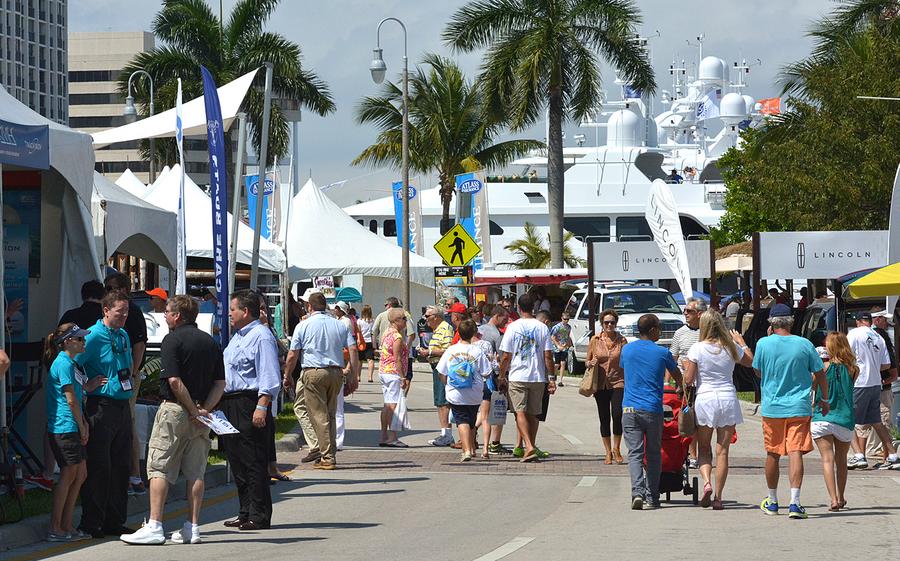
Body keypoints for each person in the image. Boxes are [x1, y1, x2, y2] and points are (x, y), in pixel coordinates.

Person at [121, 296, 226, 545]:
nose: (165, 316)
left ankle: (155, 524)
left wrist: (190, 408)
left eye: (167, 312)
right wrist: (203, 409)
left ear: (178, 316)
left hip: (176, 409)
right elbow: (220, 383)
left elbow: (174, 381)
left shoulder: (172, 339)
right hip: (202, 412)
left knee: (159, 466)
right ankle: (193, 526)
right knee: (195, 471)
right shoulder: (210, 342)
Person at [753, 303, 828, 519]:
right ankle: (795, 502)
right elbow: (820, 372)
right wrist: (823, 397)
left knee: (773, 452)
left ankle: (773, 500)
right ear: (792, 321)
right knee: (795, 451)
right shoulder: (804, 344)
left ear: (771, 324)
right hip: (799, 405)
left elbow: (758, 372)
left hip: (773, 407)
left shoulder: (763, 344)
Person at [220, 290, 281, 531]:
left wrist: (261, 407)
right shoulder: (237, 336)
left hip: (250, 402)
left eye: (233, 309)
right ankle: (244, 511)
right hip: (231, 401)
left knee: (254, 460)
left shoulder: (260, 336)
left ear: (245, 311)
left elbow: (269, 375)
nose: (229, 314)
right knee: (237, 460)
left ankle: (259, 514)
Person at [76, 292, 136, 539]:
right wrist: (85, 385)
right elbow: (69, 363)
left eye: (126, 312)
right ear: (106, 311)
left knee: (121, 467)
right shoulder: (91, 336)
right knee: (100, 467)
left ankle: (115, 520)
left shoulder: (122, 334)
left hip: (122, 406)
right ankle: (92, 521)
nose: (123, 316)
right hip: (101, 406)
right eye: (119, 312)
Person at [683, 310, 754, 510]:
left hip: (705, 398)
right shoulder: (730, 347)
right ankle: (719, 497)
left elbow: (688, 380)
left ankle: (706, 482)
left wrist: (685, 368)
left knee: (704, 448)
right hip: (727, 398)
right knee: (722, 451)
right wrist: (742, 342)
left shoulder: (697, 348)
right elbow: (750, 361)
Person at [283, 292, 359, 471]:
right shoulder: (339, 325)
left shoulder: (304, 325)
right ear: (325, 306)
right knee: (331, 414)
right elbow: (353, 349)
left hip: (314, 371)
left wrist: (287, 374)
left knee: (319, 415)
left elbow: (293, 354)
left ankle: (327, 456)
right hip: (335, 371)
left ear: (309, 306)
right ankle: (329, 451)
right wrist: (354, 375)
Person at [44, 323, 98, 542]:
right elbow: (71, 400)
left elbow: (78, 394)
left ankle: (66, 525)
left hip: (72, 425)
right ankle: (55, 527)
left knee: (80, 475)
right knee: (68, 475)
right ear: (67, 342)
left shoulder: (70, 363)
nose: (83, 342)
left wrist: (82, 421)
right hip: (64, 427)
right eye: (79, 339)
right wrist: (82, 424)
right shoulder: (63, 363)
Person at [620, 314, 681, 510]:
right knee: (653, 454)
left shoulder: (627, 350)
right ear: (653, 329)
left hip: (629, 408)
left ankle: (636, 493)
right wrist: (681, 386)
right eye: (659, 328)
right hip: (652, 409)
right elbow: (677, 375)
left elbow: (625, 370)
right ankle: (652, 497)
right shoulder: (662, 352)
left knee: (635, 453)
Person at [103, 273, 149, 497]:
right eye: (106, 287)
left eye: (111, 287)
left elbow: (139, 345)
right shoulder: (108, 312)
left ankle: (134, 475)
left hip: (127, 375)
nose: (108, 291)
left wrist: (132, 372)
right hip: (111, 378)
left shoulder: (133, 313)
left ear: (123, 288)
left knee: (128, 422)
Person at [497, 293, 555, 463]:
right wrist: (551, 378)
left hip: (518, 375)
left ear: (519, 307)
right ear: (533, 308)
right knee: (534, 413)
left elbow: (506, 356)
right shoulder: (542, 327)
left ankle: (528, 446)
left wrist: (501, 375)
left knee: (519, 412)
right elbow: (548, 356)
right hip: (537, 376)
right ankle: (532, 445)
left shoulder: (513, 327)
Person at [846, 312, 899, 469]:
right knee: (876, 421)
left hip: (859, 383)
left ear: (858, 322)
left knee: (847, 419)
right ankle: (892, 455)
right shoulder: (879, 337)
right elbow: (886, 365)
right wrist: (872, 365)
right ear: (870, 321)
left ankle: (858, 455)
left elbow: (846, 356)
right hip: (876, 383)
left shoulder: (854, 333)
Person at [812, 335, 858, 511]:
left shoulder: (822, 368)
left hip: (823, 417)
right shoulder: (853, 369)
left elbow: (812, 386)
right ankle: (841, 496)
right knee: (841, 460)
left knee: (827, 459)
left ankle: (832, 499)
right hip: (844, 418)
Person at [437, 320, 491, 462]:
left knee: (461, 420)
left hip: (455, 392)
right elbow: (486, 372)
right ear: (474, 333)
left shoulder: (451, 350)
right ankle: (471, 448)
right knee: (471, 420)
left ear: (458, 333)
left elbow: (441, 371)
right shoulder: (477, 351)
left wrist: (446, 383)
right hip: (474, 393)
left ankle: (466, 450)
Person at [586, 309, 627, 465]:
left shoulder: (622, 341)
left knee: (617, 414)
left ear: (616, 324)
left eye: (612, 322)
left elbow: (626, 360)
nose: (609, 325)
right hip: (601, 383)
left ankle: (617, 448)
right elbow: (587, 361)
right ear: (602, 324)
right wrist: (590, 363)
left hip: (618, 382)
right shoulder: (595, 340)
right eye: (606, 322)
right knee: (604, 418)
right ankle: (607, 451)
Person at [670, 297, 706, 468]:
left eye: (689, 311)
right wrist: (668, 383)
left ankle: (703, 453)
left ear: (699, 314)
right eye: (684, 311)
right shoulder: (679, 333)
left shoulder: (707, 332)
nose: (685, 314)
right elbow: (673, 359)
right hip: (685, 384)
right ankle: (691, 455)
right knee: (687, 420)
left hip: (704, 383)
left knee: (702, 422)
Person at [417, 305, 455, 446]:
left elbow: (449, 349)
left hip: (442, 368)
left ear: (436, 317)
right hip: (437, 366)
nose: (425, 319)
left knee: (443, 402)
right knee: (439, 401)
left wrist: (430, 352)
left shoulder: (445, 328)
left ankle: (447, 434)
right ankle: (444, 433)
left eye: (428, 316)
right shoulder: (438, 329)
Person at [863, 309, 898, 459]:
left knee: (867, 420)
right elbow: (889, 364)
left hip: (867, 385)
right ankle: (885, 454)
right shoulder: (881, 337)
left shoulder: (864, 337)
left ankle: (867, 452)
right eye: (884, 320)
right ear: (876, 320)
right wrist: (888, 376)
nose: (887, 323)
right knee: (883, 420)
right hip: (882, 386)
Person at [477, 305, 510, 456]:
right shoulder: (496, 335)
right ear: (497, 316)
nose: (506, 321)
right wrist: (502, 376)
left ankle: (472, 431)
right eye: (505, 318)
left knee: (484, 409)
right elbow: (503, 357)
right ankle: (495, 443)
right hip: (493, 375)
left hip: (477, 376)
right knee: (498, 408)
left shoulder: (480, 329)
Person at [378, 308, 409, 447]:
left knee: (387, 404)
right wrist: (402, 377)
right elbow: (397, 358)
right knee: (392, 405)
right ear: (396, 321)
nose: (406, 321)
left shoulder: (386, 333)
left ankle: (384, 435)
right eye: (404, 319)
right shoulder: (397, 337)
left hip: (384, 371)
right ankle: (392, 436)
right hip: (393, 373)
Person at [549, 313, 573, 386]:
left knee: (563, 363)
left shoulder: (569, 327)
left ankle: (560, 380)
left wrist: (568, 343)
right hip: (557, 347)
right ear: (562, 318)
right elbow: (552, 337)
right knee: (557, 364)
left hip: (564, 346)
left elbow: (568, 336)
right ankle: (554, 374)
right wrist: (558, 345)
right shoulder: (557, 327)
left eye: (567, 319)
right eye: (565, 319)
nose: (566, 321)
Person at [358, 305, 376, 383]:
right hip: (370, 341)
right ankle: (370, 377)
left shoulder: (359, 321)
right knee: (370, 360)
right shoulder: (373, 321)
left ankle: (358, 377)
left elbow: (358, 332)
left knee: (360, 360)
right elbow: (374, 332)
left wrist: (358, 339)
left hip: (362, 341)